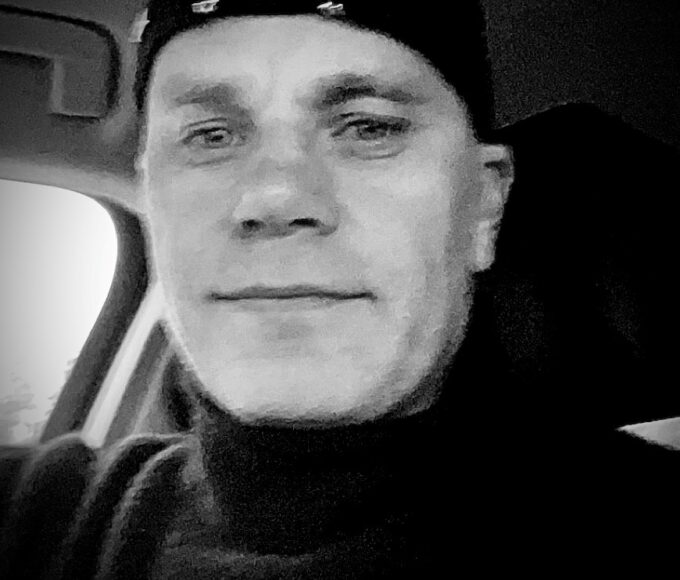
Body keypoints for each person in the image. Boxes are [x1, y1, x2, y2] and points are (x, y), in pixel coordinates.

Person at [1, 1, 679, 578]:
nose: (273, 197)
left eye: (369, 127)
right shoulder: (38, 519)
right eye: (210, 135)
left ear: (484, 206)